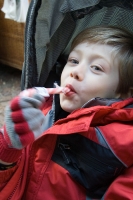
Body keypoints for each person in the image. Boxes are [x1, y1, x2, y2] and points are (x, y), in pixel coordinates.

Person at [0, 25, 133, 200]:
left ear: (123, 93)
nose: (75, 72)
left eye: (97, 68)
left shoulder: (125, 142)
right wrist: (7, 150)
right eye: (74, 61)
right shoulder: (43, 113)